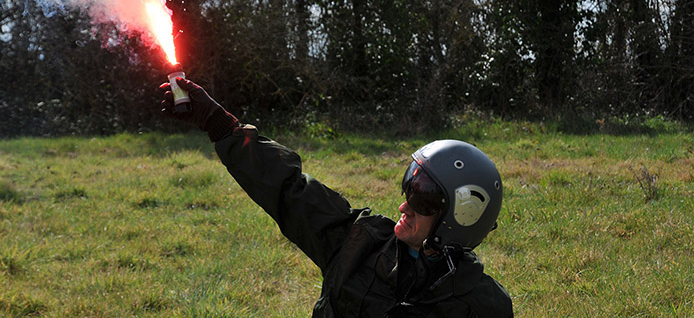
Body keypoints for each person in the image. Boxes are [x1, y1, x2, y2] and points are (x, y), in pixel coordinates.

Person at [160, 78, 513, 317]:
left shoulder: (484, 306)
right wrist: (219, 124)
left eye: (424, 201)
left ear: (460, 217)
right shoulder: (358, 243)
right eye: (410, 187)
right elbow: (290, 190)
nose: (404, 206)